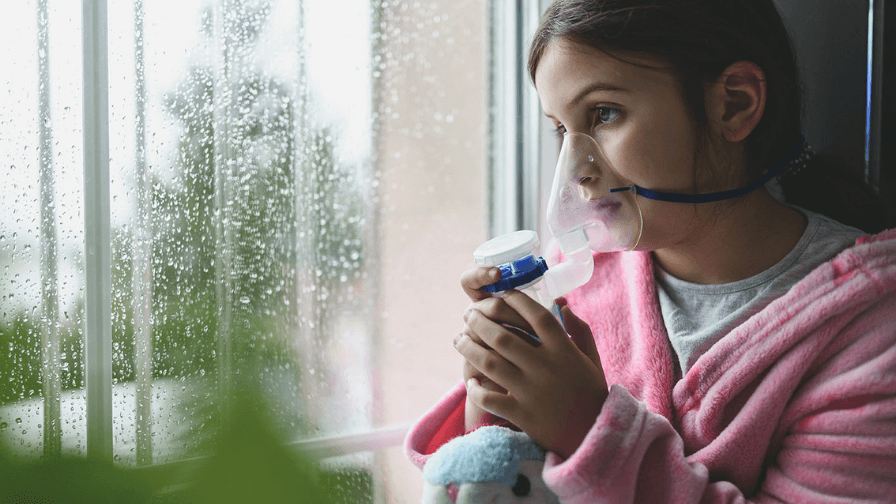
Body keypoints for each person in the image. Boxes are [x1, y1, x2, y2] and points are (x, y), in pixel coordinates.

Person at [405, 0, 896, 502]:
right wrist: (495, 392)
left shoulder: (870, 334)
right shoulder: (580, 284)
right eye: (561, 129)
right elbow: (502, 478)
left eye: (604, 113)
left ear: (734, 104)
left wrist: (589, 431)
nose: (576, 171)